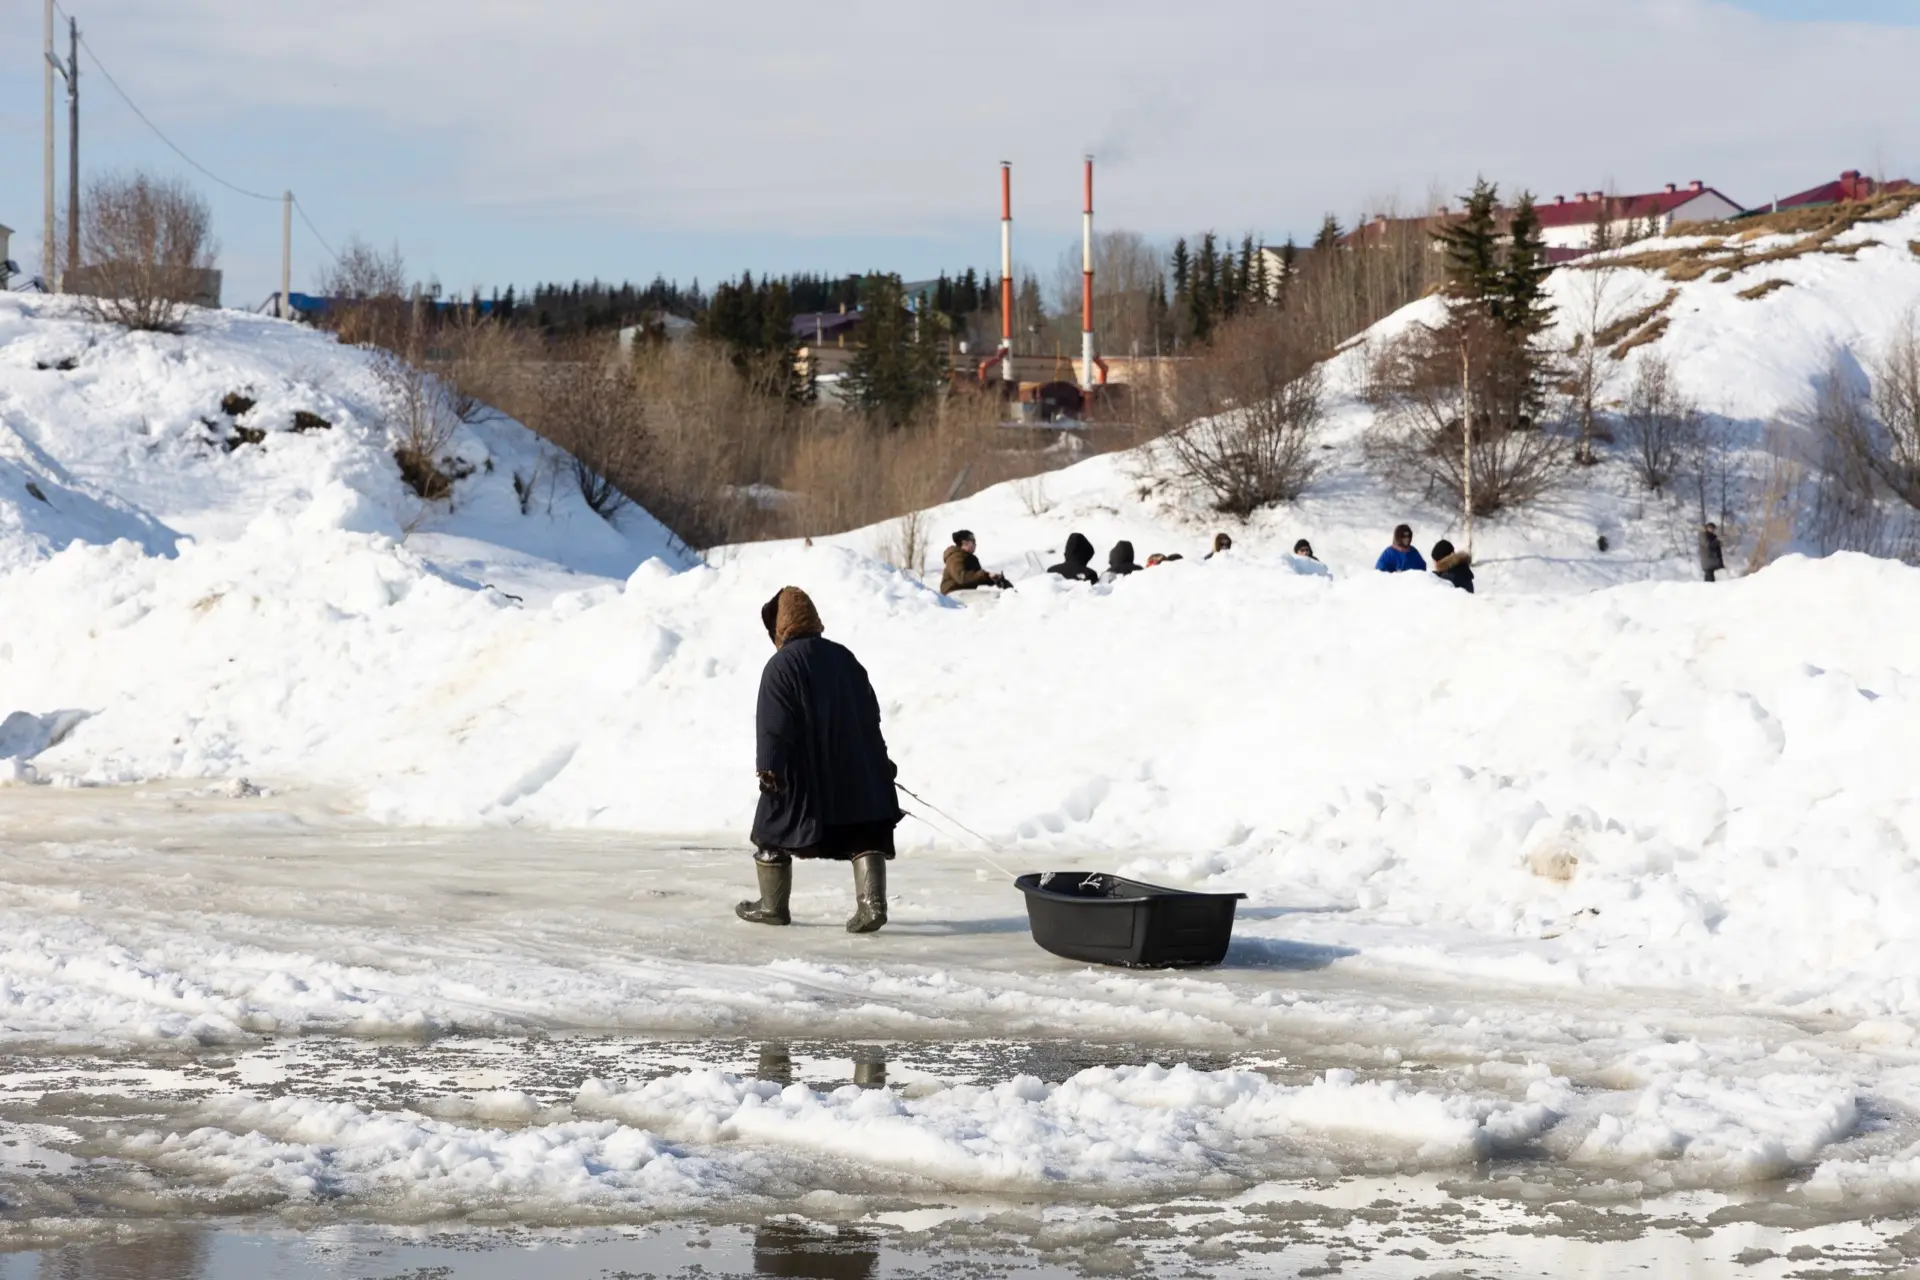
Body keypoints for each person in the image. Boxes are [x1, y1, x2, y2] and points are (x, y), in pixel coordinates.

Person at [738, 587, 901, 934]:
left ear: (780, 627)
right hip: (855, 767)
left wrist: (769, 768)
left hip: (803, 774)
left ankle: (773, 907)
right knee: (864, 828)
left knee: (770, 830)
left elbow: (773, 723)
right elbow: (869, 716)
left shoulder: (781, 664)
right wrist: (880, 762)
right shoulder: (845, 658)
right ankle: (872, 905)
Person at [939, 530, 1010, 595]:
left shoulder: (971, 558)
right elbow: (962, 578)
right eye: (973, 542)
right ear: (965, 543)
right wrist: (982, 575)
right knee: (994, 597)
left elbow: (976, 577)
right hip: (952, 594)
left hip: (963, 592)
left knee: (1000, 596)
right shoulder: (955, 557)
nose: (975, 544)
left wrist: (992, 579)